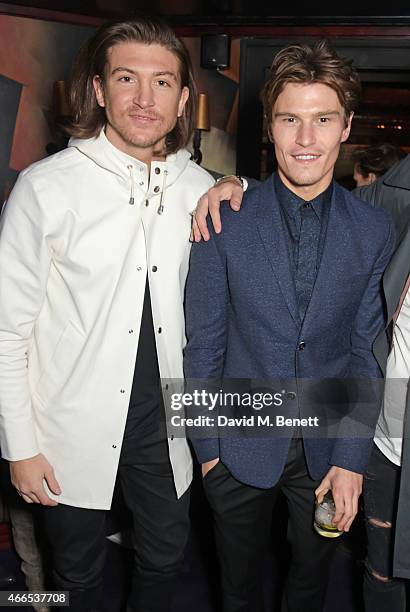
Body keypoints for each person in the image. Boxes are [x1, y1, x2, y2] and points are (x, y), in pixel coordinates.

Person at [0, 17, 215, 612]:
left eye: (163, 82)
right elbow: (5, 330)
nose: (145, 100)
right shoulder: (45, 188)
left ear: (182, 100)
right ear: (99, 89)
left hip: (162, 425)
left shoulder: (202, 187)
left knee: (167, 556)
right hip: (66, 425)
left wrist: (239, 185)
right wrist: (19, 445)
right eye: (127, 78)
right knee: (75, 574)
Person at [183, 39, 395, 612]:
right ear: (269, 128)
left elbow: (364, 354)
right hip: (236, 446)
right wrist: (208, 451)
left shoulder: (373, 232)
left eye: (322, 119)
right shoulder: (224, 217)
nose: (306, 139)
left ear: (346, 126)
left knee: (310, 585)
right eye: (290, 119)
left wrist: (351, 458)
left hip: (326, 451)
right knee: (237, 590)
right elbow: (203, 345)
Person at [355, 157, 410, 611]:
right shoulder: (398, 194)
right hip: (386, 447)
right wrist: (233, 183)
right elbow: (309, 197)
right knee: (382, 574)